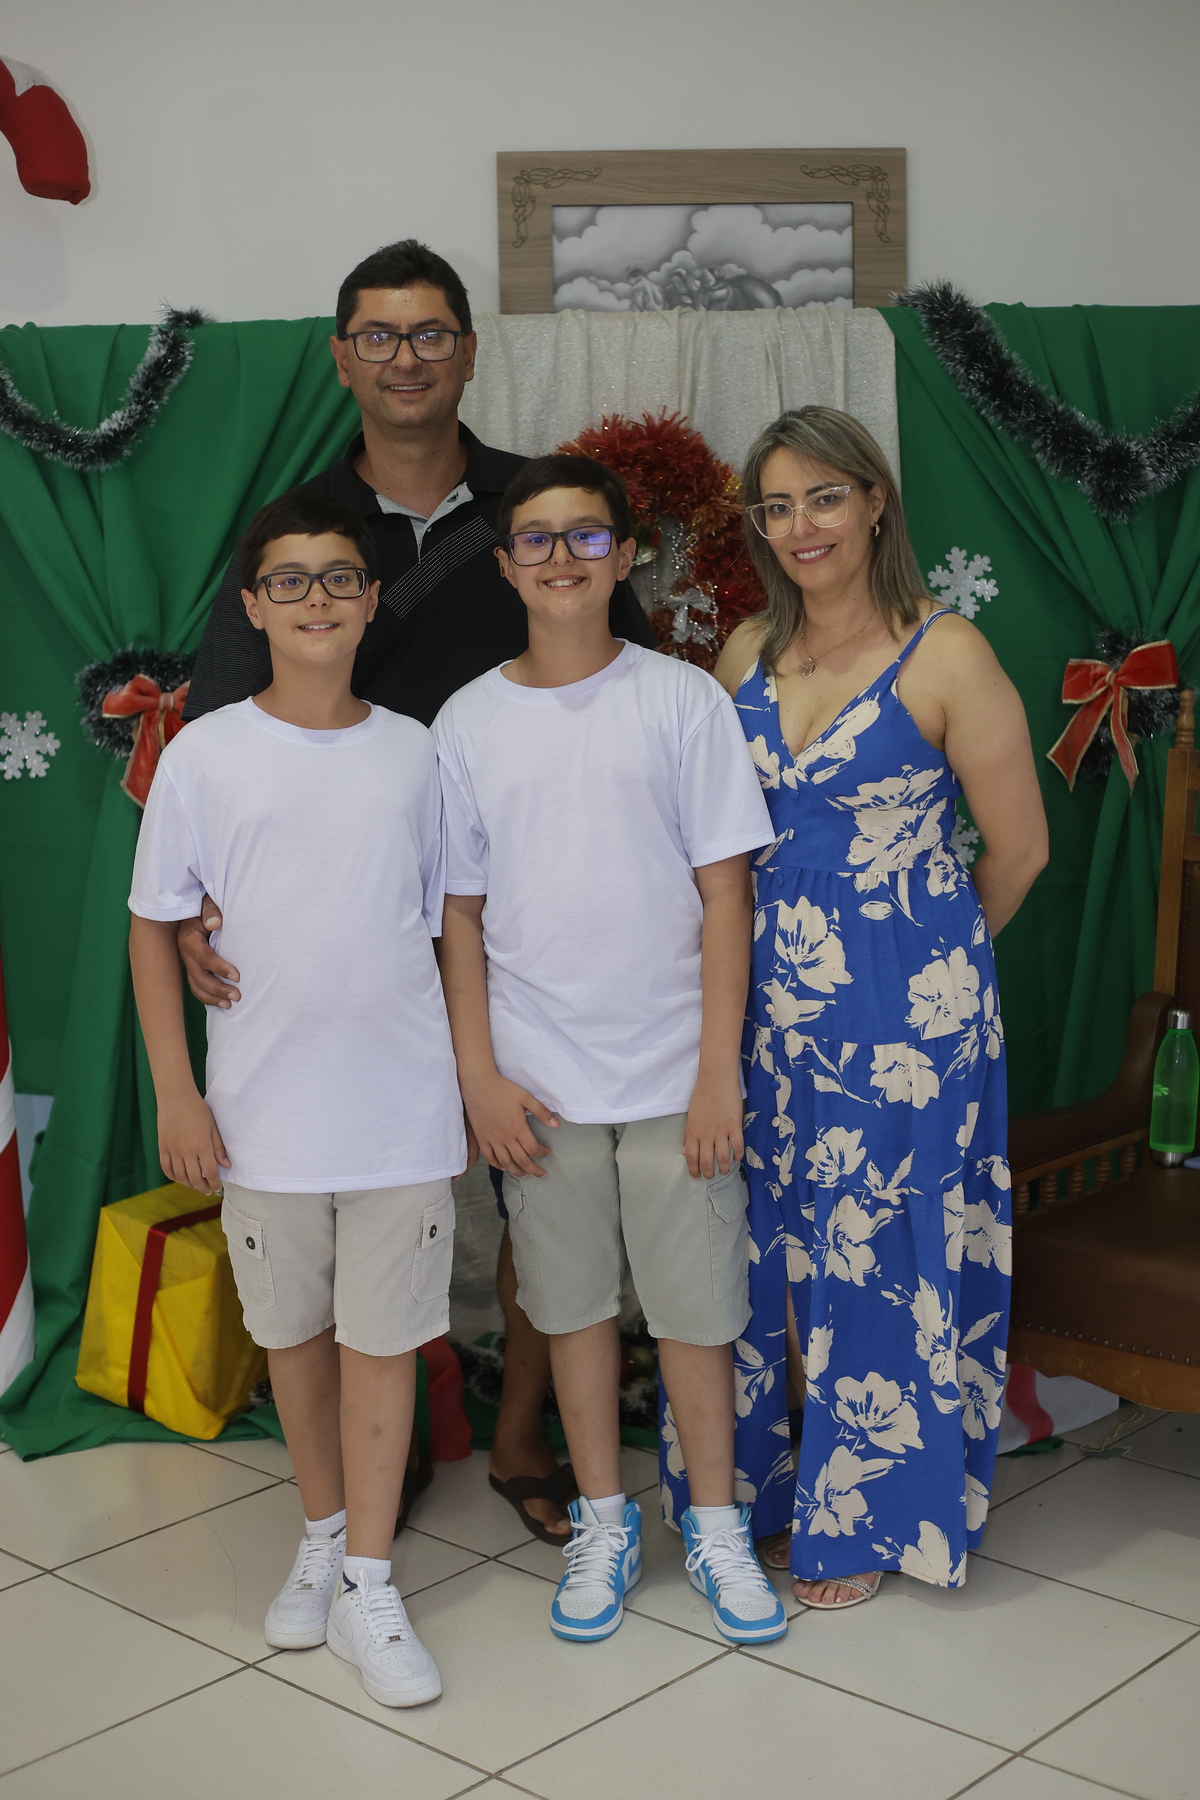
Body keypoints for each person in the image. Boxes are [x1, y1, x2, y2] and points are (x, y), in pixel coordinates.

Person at [180, 238, 657, 1541]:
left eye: (430, 333)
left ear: (469, 351)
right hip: (352, 932)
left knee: (538, 1179)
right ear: (342, 357)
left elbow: (624, 678)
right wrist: (199, 911)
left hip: (528, 918)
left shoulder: (535, 505)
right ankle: (384, 1446)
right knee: (360, 1193)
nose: (406, 358)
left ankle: (521, 1433)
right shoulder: (298, 525)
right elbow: (221, 730)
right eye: (379, 336)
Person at [675, 405, 1047, 1608]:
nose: (802, 527)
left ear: (876, 502)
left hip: (906, 1022)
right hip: (754, 1004)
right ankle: (777, 1491)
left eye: (824, 497)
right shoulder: (744, 650)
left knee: (878, 1252)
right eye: (777, 505)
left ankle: (876, 1516)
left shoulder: (947, 653)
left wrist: (926, 969)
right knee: (767, 1248)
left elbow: (1020, 849)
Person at [434, 453, 788, 1645]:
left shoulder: (680, 702)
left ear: (627, 554)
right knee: (571, 1307)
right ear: (506, 566)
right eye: (536, 538)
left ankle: (717, 1525)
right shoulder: (469, 721)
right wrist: (480, 1075)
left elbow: (727, 892)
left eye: (586, 536)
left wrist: (718, 1069)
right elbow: (460, 916)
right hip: (539, 1082)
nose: (562, 558)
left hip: (677, 1073)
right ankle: (601, 1517)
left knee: (697, 1310)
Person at [128, 491, 461, 1705]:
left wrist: (473, 1074)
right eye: (290, 580)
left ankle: (371, 1576)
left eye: (340, 578)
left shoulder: (418, 752)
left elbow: (451, 926)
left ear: (371, 601)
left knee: (384, 1342)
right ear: (253, 606)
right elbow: (155, 924)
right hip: (263, 1115)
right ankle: (321, 1534)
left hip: (399, 1112)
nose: (316, 598)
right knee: (295, 1339)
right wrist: (178, 1092)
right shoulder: (206, 755)